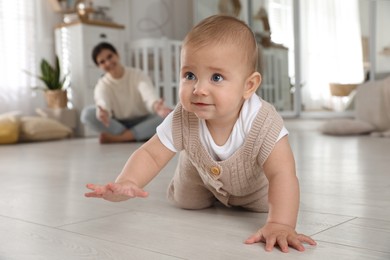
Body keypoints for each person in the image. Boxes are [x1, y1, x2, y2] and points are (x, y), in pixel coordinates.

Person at [85, 15, 317, 252]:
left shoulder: (264, 121)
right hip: (199, 176)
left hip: (253, 190)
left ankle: (201, 162)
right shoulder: (183, 116)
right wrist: (127, 181)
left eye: (216, 77)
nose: (198, 89)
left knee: (268, 205)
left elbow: (282, 174)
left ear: (249, 86)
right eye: (189, 75)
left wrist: (280, 223)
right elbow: (151, 154)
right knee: (185, 201)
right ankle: (191, 158)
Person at [80, 42, 172, 144]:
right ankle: (136, 135)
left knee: (168, 117)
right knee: (87, 114)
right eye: (102, 62)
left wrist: (156, 105)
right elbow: (102, 100)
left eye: (110, 57)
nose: (108, 62)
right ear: (99, 66)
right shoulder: (102, 84)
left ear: (117, 55)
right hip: (119, 125)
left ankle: (120, 138)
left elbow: (147, 93)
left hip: (143, 119)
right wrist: (103, 112)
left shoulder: (137, 74)